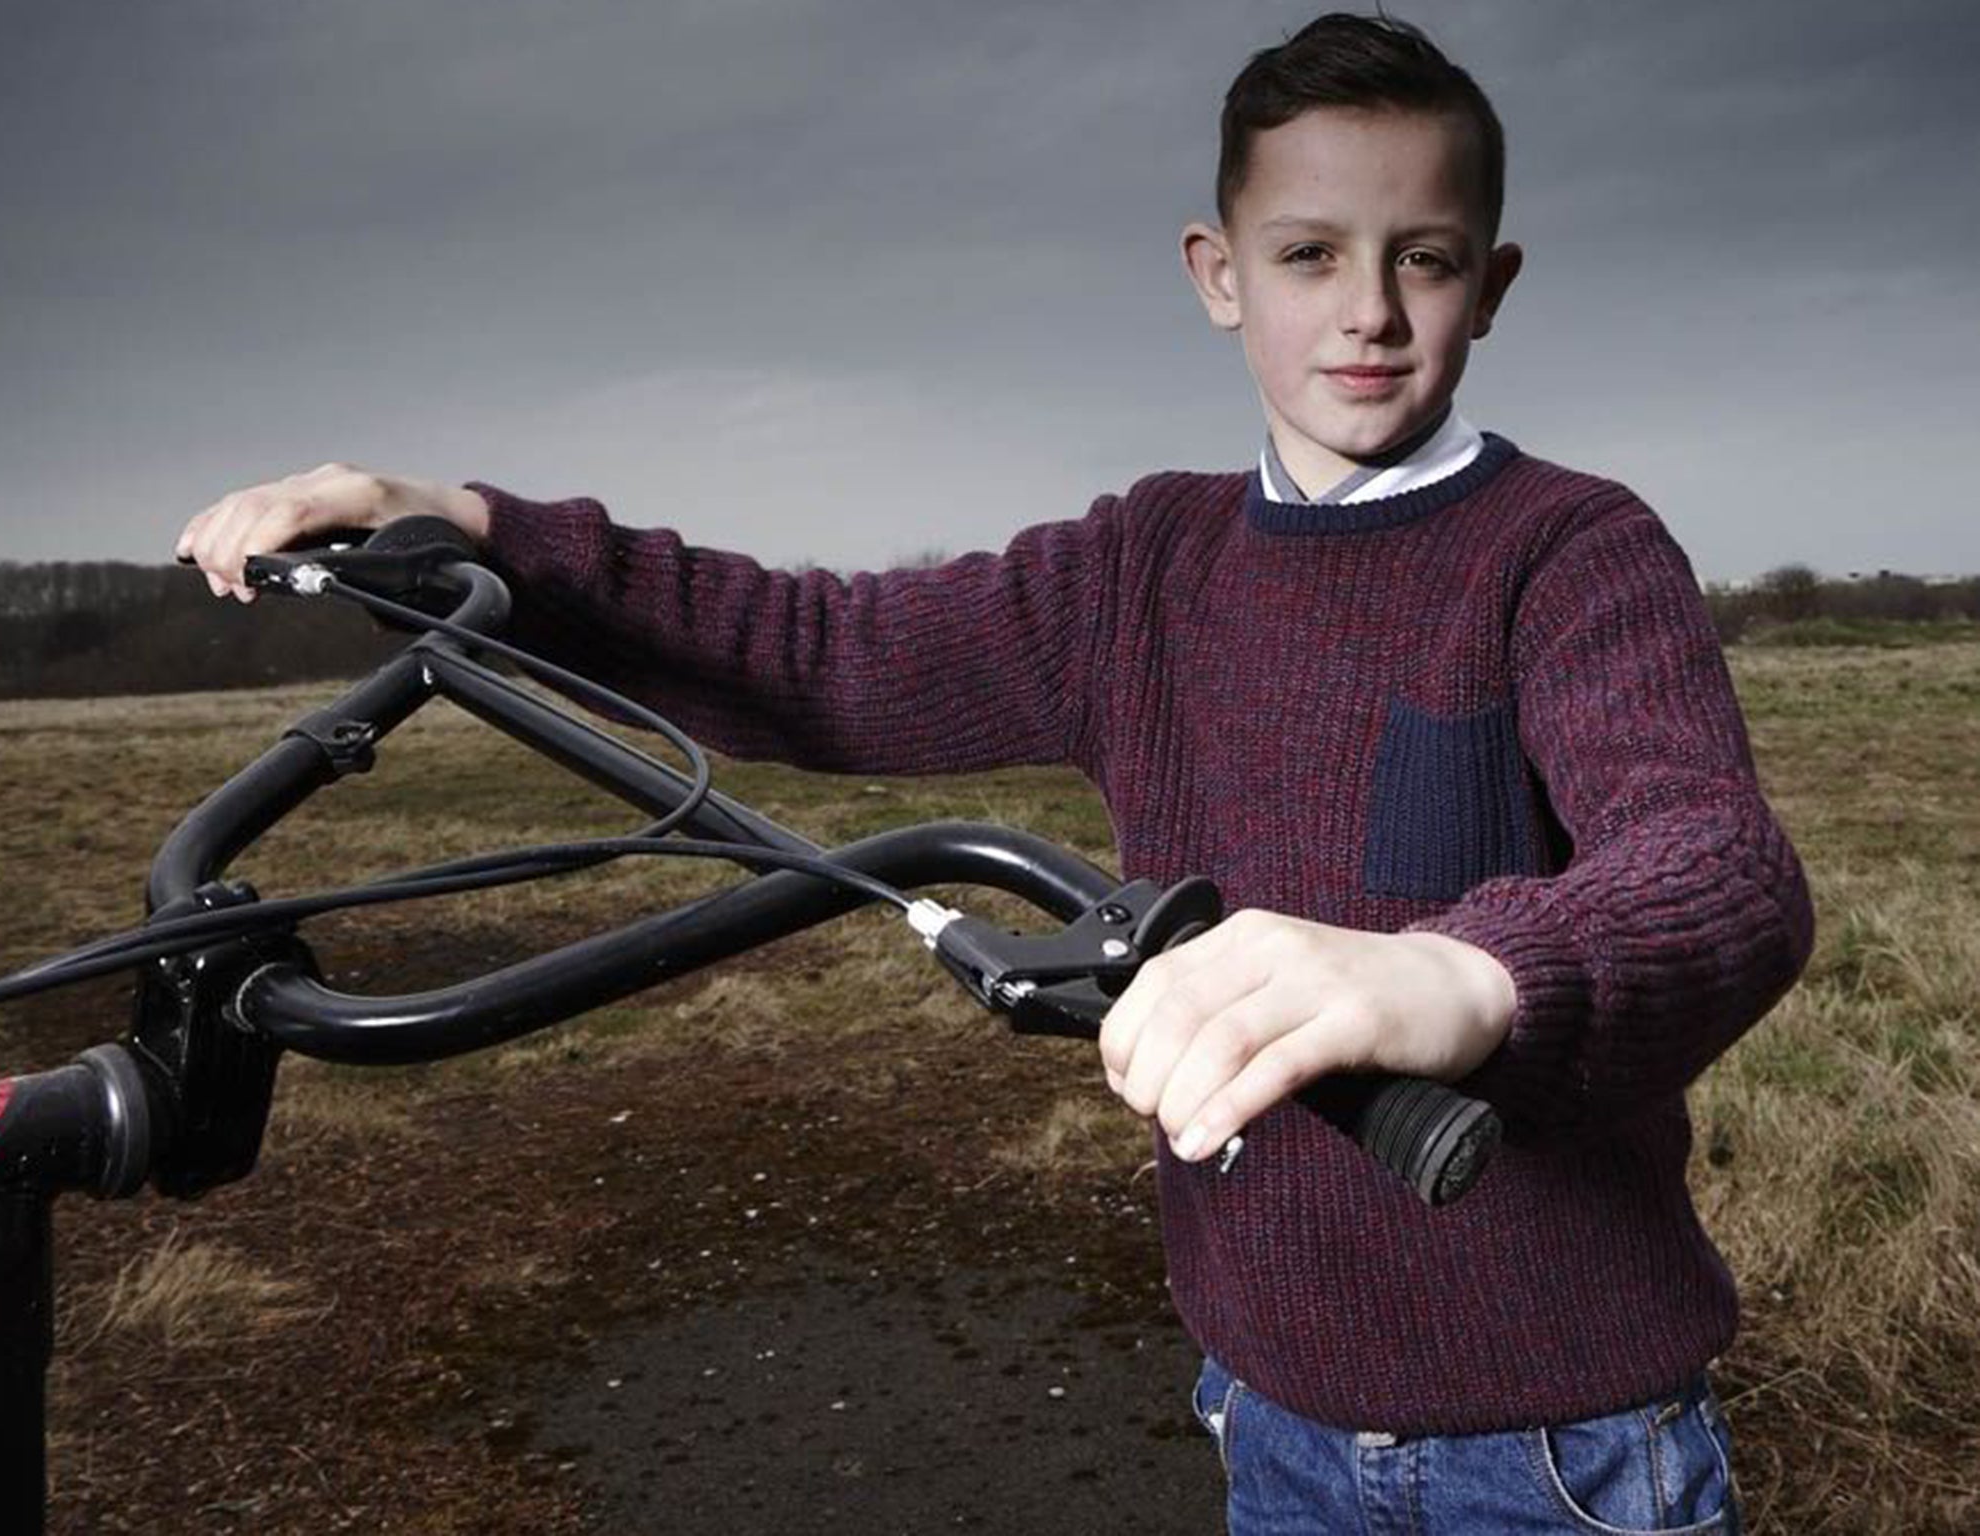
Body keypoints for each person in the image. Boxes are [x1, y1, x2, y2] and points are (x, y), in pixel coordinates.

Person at [176, 13, 1813, 1532]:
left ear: (1495, 279)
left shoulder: (1573, 551)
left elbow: (1715, 872)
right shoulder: (1141, 567)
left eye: (1426, 259)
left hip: (1563, 1448)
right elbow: (817, 645)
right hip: (1272, 1408)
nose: (1370, 310)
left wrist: (1457, 978)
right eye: (1310, 254)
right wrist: (478, 525)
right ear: (1219, 272)